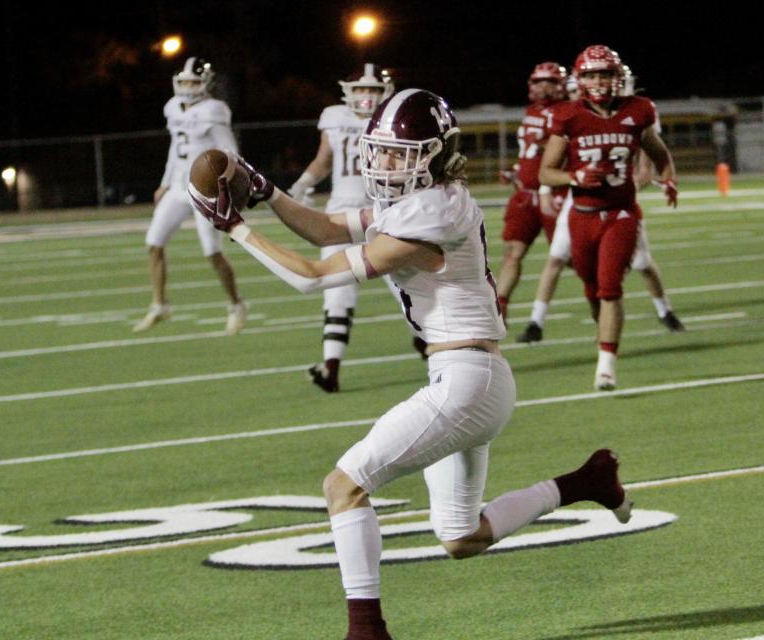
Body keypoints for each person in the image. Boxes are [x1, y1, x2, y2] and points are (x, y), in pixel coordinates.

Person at [189, 89, 632, 640]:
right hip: (472, 379)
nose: (384, 163)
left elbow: (309, 274)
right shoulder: (426, 199)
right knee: (462, 538)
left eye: (401, 153)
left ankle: (366, 631)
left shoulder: (434, 211)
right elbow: (326, 228)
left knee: (343, 485)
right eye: (382, 151)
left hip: (467, 381)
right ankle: (587, 481)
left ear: (436, 154)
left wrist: (235, 229)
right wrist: (266, 191)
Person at [538, 45, 678, 391]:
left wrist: (669, 178)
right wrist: (576, 177)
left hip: (621, 212)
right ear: (579, 79)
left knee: (610, 288)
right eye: (591, 74)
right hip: (582, 214)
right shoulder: (568, 115)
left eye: (605, 73)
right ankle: (605, 341)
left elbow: (659, 154)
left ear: (618, 77)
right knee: (591, 289)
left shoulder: (638, 110)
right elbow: (545, 172)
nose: (598, 81)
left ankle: (606, 366)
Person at [286, 63, 397, 391]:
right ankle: (331, 368)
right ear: (348, 91)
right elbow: (323, 160)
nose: (365, 96)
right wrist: (303, 183)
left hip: (381, 212)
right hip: (340, 214)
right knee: (336, 289)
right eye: (360, 89)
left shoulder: (392, 119)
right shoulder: (335, 118)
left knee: (404, 284)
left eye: (372, 90)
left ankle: (430, 345)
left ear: (384, 92)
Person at [133, 57, 247, 334]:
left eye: (193, 82)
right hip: (177, 186)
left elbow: (230, 153)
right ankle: (159, 305)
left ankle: (236, 304)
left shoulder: (214, 110)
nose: (187, 87)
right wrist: (164, 183)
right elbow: (175, 148)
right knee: (154, 243)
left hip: (204, 191)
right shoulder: (173, 107)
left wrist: (228, 190)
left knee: (212, 251)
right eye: (183, 82)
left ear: (205, 84)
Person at [493, 62, 568, 321]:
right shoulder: (531, 111)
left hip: (555, 194)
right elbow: (530, 153)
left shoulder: (568, 113)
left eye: (549, 81)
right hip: (525, 195)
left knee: (568, 257)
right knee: (513, 252)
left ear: (561, 85)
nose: (543, 87)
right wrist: (517, 170)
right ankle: (499, 306)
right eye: (538, 81)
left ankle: (600, 296)